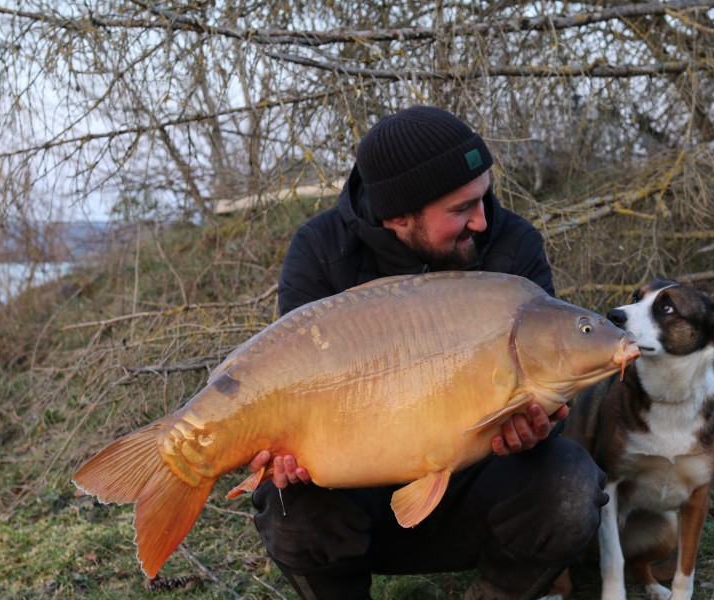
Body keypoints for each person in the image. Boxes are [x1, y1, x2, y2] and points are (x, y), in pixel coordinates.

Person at [249, 106, 607, 600]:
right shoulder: (320, 250)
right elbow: (292, 392)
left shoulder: (512, 243)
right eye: (461, 209)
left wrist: (537, 426)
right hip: (356, 496)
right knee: (288, 504)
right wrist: (285, 451)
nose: (483, 221)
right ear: (398, 216)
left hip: (475, 483)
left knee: (570, 484)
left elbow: (551, 377)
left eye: (484, 196)